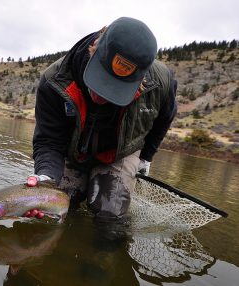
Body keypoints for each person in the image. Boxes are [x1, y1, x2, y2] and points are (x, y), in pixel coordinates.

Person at [25, 17, 177, 220]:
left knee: (109, 213)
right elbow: (48, 141)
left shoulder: (162, 82)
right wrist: (46, 177)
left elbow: (164, 120)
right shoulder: (54, 80)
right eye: (101, 78)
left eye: (116, 87)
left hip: (119, 153)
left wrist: (146, 157)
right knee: (57, 206)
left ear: (142, 80)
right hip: (73, 151)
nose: (102, 95)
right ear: (93, 50)